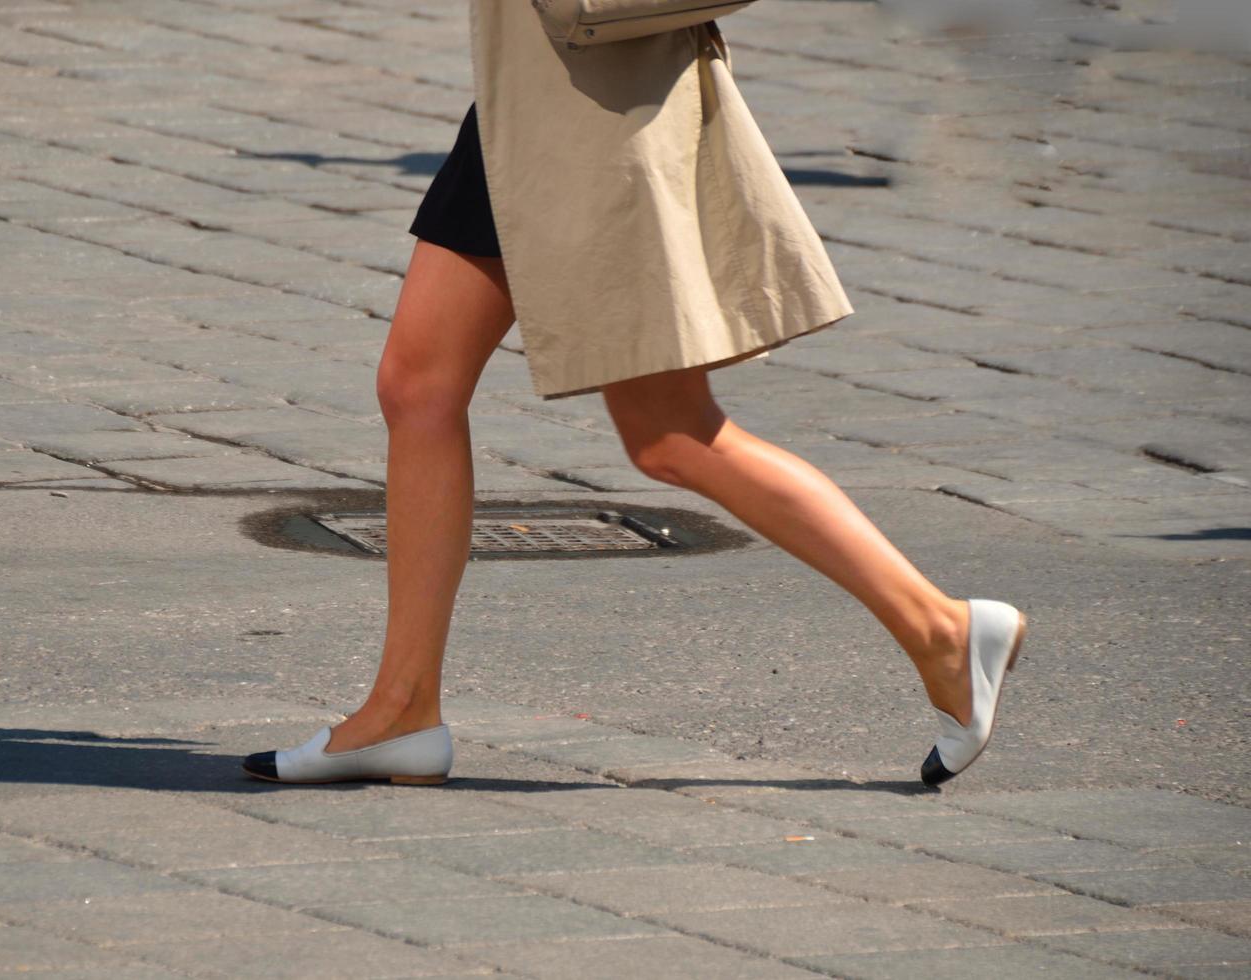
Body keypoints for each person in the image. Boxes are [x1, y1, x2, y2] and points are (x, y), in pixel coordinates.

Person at [243, 8, 1026, 789]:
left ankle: (940, 628)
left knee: (665, 432)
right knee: (434, 389)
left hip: (593, 102)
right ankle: (402, 708)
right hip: (545, 89)